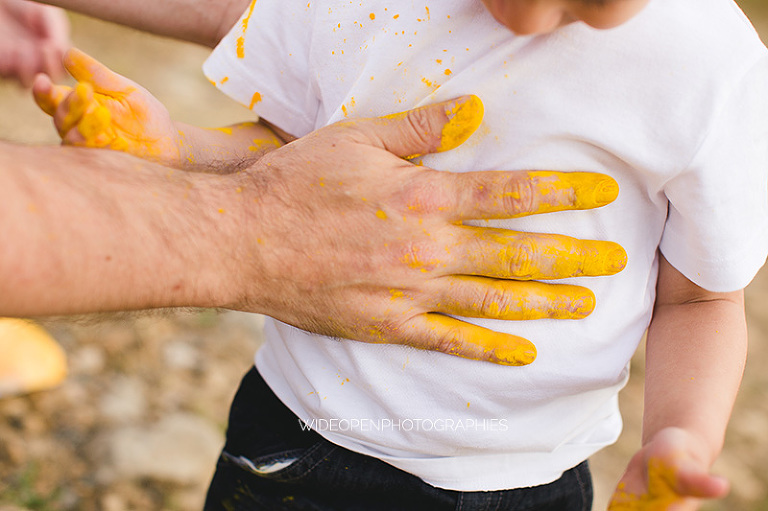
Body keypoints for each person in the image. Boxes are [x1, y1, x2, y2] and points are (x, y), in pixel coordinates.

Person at [32, 0, 768, 510]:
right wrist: (176, 149)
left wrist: (684, 432)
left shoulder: (713, 65)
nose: (525, 15)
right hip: (303, 437)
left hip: (529, 478)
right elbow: (291, 160)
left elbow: (701, 298)